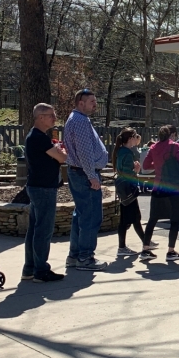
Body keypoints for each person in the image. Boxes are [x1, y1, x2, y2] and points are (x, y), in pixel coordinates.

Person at [63, 89, 110, 271]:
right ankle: (85, 257)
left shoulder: (76, 119)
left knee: (80, 215)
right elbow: (84, 152)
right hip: (84, 174)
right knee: (90, 216)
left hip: (79, 173)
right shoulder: (80, 121)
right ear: (80, 103)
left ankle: (75, 256)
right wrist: (92, 175)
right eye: (91, 101)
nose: (95, 104)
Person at [22, 103, 67, 283]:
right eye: (51, 115)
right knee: (43, 230)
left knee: (34, 228)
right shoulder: (39, 137)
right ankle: (41, 271)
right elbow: (63, 158)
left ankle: (29, 268)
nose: (54, 118)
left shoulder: (37, 136)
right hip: (43, 188)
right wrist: (61, 152)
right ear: (40, 117)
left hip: (37, 186)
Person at [142, 125, 179, 261]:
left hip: (158, 187)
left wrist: (157, 167)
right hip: (174, 188)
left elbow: (145, 166)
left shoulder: (153, 147)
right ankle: (171, 251)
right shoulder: (175, 146)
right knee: (174, 220)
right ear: (171, 135)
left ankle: (145, 249)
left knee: (153, 219)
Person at [113, 127, 154, 260]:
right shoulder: (127, 153)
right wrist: (136, 170)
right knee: (134, 218)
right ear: (130, 138)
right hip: (128, 187)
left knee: (128, 219)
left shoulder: (120, 151)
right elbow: (127, 173)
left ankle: (141, 244)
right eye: (135, 136)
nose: (136, 139)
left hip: (123, 188)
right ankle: (145, 245)